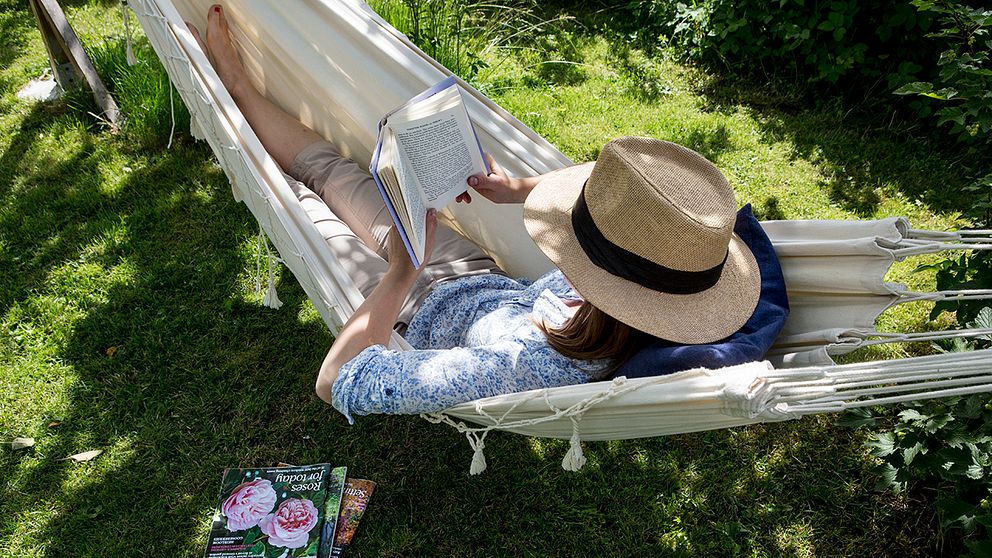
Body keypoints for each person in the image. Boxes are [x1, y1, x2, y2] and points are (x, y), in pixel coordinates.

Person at [188, 5, 761, 423]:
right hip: (470, 269)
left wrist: (402, 271)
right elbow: (614, 200)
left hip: (402, 298)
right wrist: (515, 190)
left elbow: (334, 381)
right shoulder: (666, 268)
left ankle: (231, 99)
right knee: (336, 171)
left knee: (299, 200)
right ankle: (238, 84)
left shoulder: (521, 368)